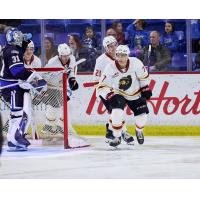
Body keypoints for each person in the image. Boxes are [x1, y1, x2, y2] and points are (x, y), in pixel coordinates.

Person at [0, 28, 47, 151]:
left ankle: (13, 139)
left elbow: (22, 49)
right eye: (19, 36)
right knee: (18, 114)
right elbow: (17, 71)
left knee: (17, 114)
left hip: (11, 85)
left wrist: (26, 40)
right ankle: (14, 139)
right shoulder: (12, 51)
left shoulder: (10, 48)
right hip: (11, 86)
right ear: (15, 38)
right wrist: (35, 81)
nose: (21, 38)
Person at [96, 45, 152, 147]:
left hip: (135, 92)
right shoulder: (110, 67)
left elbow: (143, 78)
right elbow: (101, 85)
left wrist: (145, 88)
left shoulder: (136, 63)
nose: (120, 58)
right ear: (116, 56)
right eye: (118, 55)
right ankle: (117, 136)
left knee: (142, 116)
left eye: (123, 55)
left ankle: (139, 130)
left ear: (128, 56)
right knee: (117, 112)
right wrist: (109, 94)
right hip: (119, 93)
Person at [94, 36, 134, 145]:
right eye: (109, 46)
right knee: (117, 110)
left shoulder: (121, 57)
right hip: (105, 90)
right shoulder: (101, 60)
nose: (113, 48)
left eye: (114, 45)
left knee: (117, 111)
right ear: (105, 48)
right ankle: (121, 132)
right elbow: (96, 79)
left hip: (119, 90)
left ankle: (112, 130)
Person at [42, 43, 79, 135]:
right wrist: (56, 76)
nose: (66, 58)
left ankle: (61, 126)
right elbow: (43, 74)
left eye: (67, 56)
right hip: (51, 86)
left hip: (62, 87)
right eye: (63, 56)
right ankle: (48, 127)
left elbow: (71, 71)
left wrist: (72, 79)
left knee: (68, 106)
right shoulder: (52, 62)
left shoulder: (72, 59)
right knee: (53, 107)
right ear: (59, 55)